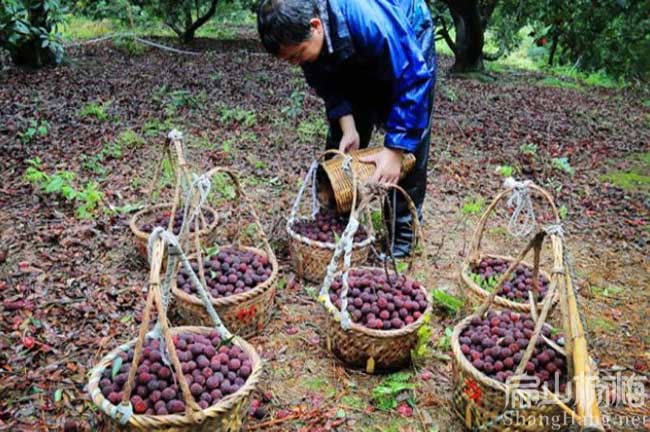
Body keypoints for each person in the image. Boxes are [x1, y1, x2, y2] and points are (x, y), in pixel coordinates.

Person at [257, 0, 436, 258]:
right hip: (352, 49)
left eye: (297, 55)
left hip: (407, 39)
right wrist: (348, 125)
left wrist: (395, 151)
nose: (296, 62)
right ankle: (336, 221)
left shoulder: (369, 21)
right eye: (289, 59)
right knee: (340, 143)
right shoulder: (309, 36)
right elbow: (326, 81)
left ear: (315, 26)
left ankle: (401, 241)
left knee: (409, 147)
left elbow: (413, 78)